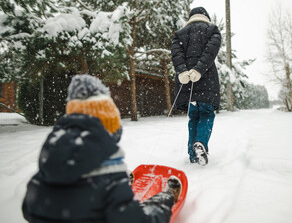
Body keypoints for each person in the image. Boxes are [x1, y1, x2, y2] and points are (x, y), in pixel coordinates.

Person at [22, 74, 181, 223]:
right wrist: (161, 207)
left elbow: (29, 209)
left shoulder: (47, 168)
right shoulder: (109, 182)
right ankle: (163, 198)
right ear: (107, 130)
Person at [171, 7, 222, 165]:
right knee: (206, 114)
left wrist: (182, 72)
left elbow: (176, 55)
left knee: (193, 116)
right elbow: (210, 53)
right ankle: (200, 144)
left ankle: (193, 155)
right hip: (207, 81)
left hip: (187, 84)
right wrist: (199, 69)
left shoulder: (179, 34)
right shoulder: (212, 30)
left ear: (191, 17)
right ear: (205, 16)